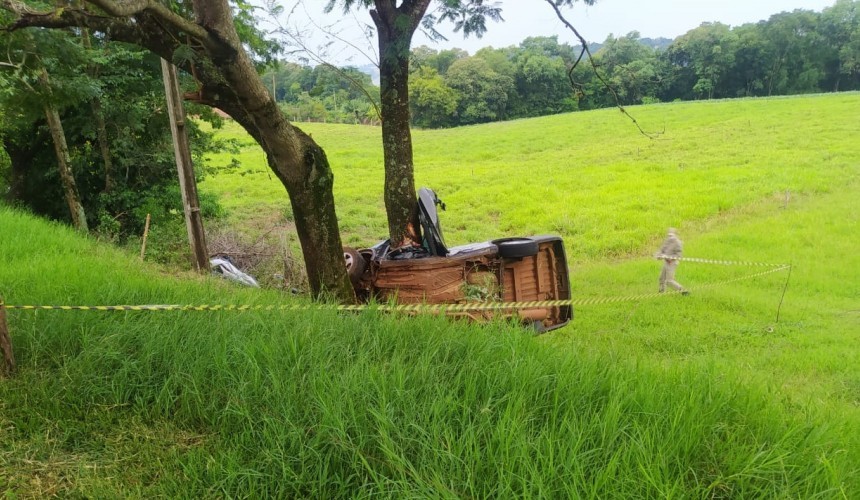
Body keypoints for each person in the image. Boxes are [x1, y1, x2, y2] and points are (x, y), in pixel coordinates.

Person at [656, 228, 689, 294]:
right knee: (661, 278)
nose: (670, 237)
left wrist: (672, 259)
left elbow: (679, 255)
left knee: (669, 281)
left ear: (675, 235)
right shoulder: (667, 241)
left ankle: (683, 290)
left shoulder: (678, 243)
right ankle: (661, 291)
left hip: (672, 263)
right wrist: (659, 255)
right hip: (666, 262)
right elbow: (662, 250)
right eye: (669, 235)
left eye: (672, 235)